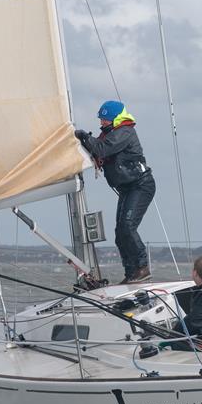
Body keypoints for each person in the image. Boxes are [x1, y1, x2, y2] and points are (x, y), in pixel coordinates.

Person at [75, 101, 155, 284]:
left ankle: (142, 267)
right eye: (101, 119)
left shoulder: (125, 132)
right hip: (127, 188)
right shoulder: (109, 134)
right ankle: (131, 273)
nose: (102, 122)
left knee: (127, 226)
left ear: (116, 119)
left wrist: (82, 136)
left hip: (141, 185)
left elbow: (102, 149)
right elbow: (97, 149)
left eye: (105, 119)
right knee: (120, 232)